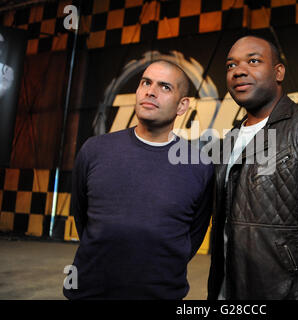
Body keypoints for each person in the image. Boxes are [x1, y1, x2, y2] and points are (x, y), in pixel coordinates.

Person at [207, 36, 298, 300]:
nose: (238, 71)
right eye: (231, 65)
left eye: (253, 61)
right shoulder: (229, 140)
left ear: (278, 72)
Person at [64, 60, 213, 300]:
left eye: (165, 87)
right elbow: (82, 216)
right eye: (145, 82)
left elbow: (194, 233)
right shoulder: (94, 150)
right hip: (89, 292)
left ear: (182, 105)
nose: (150, 91)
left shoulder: (199, 165)